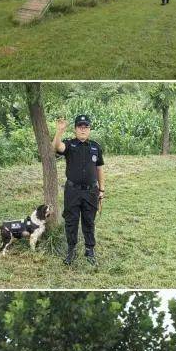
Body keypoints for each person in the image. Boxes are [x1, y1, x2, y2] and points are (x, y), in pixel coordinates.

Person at [52, 114, 105, 266]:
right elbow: (56, 147)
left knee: (89, 221)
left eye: (85, 127)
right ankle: (71, 250)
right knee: (71, 221)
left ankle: (89, 250)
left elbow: (100, 169)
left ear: (89, 129)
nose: (83, 129)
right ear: (75, 129)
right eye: (80, 127)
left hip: (91, 192)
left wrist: (102, 190)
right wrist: (59, 131)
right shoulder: (69, 144)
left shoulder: (96, 147)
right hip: (72, 191)